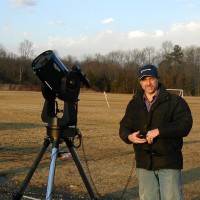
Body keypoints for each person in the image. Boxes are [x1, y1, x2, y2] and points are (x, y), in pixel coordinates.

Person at [119, 64, 193, 200]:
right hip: (144, 162)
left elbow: (185, 125)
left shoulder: (175, 101)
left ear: (157, 79)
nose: (148, 83)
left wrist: (160, 131)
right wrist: (129, 137)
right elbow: (124, 126)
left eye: (151, 78)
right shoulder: (134, 103)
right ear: (140, 82)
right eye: (144, 79)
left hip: (168, 161)